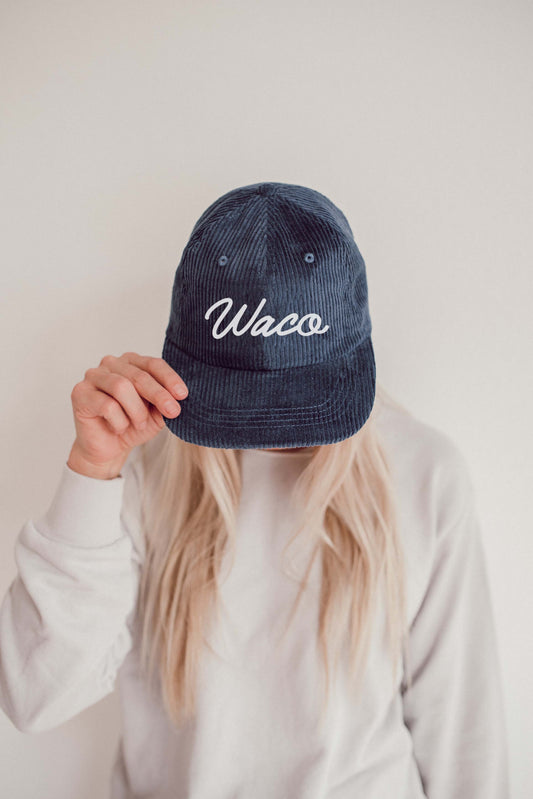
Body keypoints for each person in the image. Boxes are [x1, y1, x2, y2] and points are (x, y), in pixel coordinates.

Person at [0, 182, 509, 798]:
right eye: (244, 401)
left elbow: (465, 739)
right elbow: (35, 696)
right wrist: (92, 469)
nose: (276, 429)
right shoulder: (140, 468)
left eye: (302, 396)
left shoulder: (424, 474)